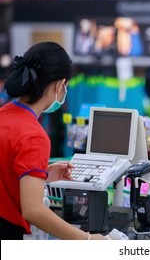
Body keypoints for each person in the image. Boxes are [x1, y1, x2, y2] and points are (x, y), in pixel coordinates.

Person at [0, 42, 104, 240]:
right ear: (59, 84)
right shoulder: (34, 136)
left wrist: (41, 175)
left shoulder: (3, 116)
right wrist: (88, 240)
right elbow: (33, 210)